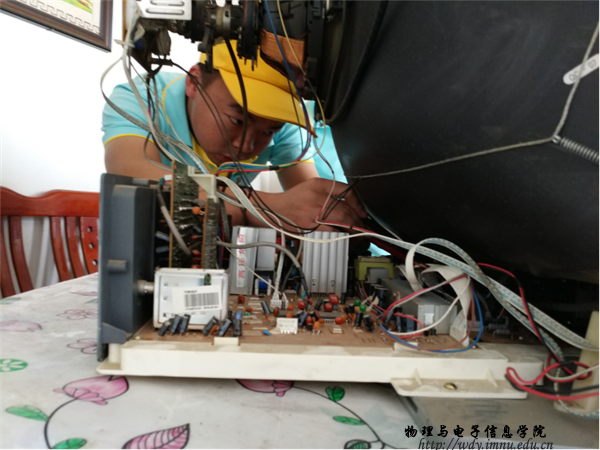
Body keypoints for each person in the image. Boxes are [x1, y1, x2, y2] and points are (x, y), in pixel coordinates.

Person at [102, 40, 366, 232]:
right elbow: (131, 177)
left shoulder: (281, 122)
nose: (246, 145)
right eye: (237, 120)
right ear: (194, 82)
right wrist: (259, 207)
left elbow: (311, 206)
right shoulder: (140, 97)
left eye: (268, 132)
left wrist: (333, 218)